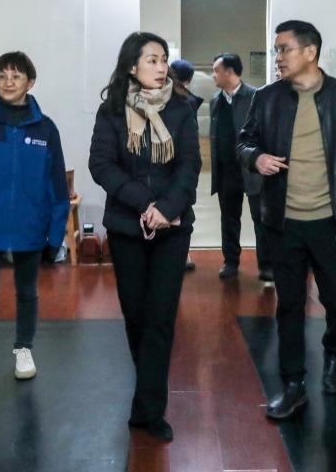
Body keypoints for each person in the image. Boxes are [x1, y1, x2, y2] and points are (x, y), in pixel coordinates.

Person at [237, 20, 336, 419]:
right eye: (276, 50)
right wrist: (255, 157)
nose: (277, 57)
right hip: (283, 223)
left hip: (331, 223)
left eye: (284, 49)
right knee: (290, 305)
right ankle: (293, 383)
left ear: (310, 52)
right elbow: (244, 140)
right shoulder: (267, 98)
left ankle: (335, 353)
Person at [89, 33, 201, 441]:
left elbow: (189, 165)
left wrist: (166, 209)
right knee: (136, 317)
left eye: (163, 59)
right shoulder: (111, 112)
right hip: (127, 226)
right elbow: (101, 164)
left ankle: (149, 410)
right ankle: (148, 386)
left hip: (172, 228)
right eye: (152, 60)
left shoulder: (182, 109)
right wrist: (144, 204)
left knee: (160, 317)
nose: (161, 66)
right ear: (132, 66)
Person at [0, 51, 70, 406]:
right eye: (2, 76)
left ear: (29, 83)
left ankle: (23, 349)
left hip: (29, 227)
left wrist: (55, 234)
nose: (8, 82)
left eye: (16, 76)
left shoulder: (45, 129)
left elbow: (57, 186)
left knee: (27, 293)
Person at [209, 53, 268, 282]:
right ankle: (231, 262)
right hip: (226, 172)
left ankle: (267, 265)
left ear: (230, 72)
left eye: (216, 70)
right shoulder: (215, 101)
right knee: (229, 219)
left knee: (260, 219)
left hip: (252, 171)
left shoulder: (256, 96)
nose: (213, 75)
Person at [168, 59, 202, 272]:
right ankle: (181, 255)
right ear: (188, 79)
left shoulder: (176, 100)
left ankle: (178, 255)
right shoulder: (187, 101)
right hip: (181, 166)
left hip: (170, 165)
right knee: (181, 208)